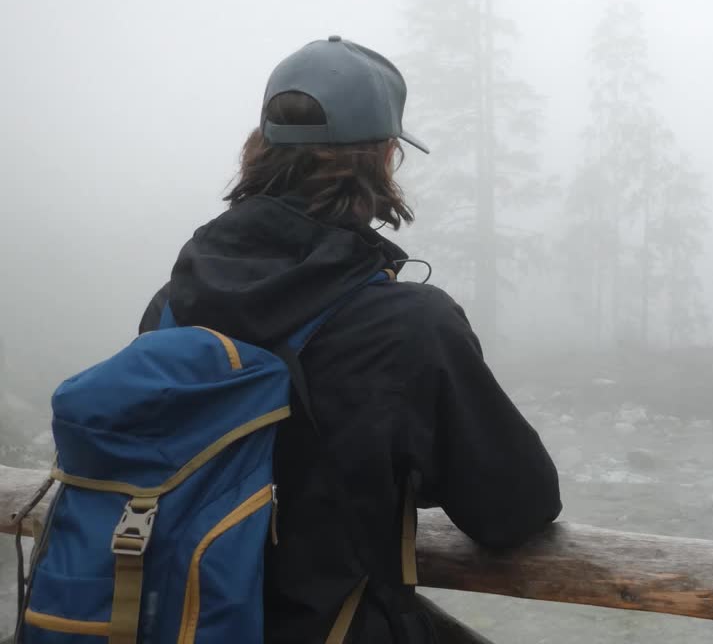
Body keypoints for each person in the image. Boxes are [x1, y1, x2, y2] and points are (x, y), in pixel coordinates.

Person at [137, 36, 562, 642]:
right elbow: (516, 510)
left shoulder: (172, 306)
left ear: (258, 152)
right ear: (384, 158)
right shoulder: (411, 327)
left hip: (174, 621)